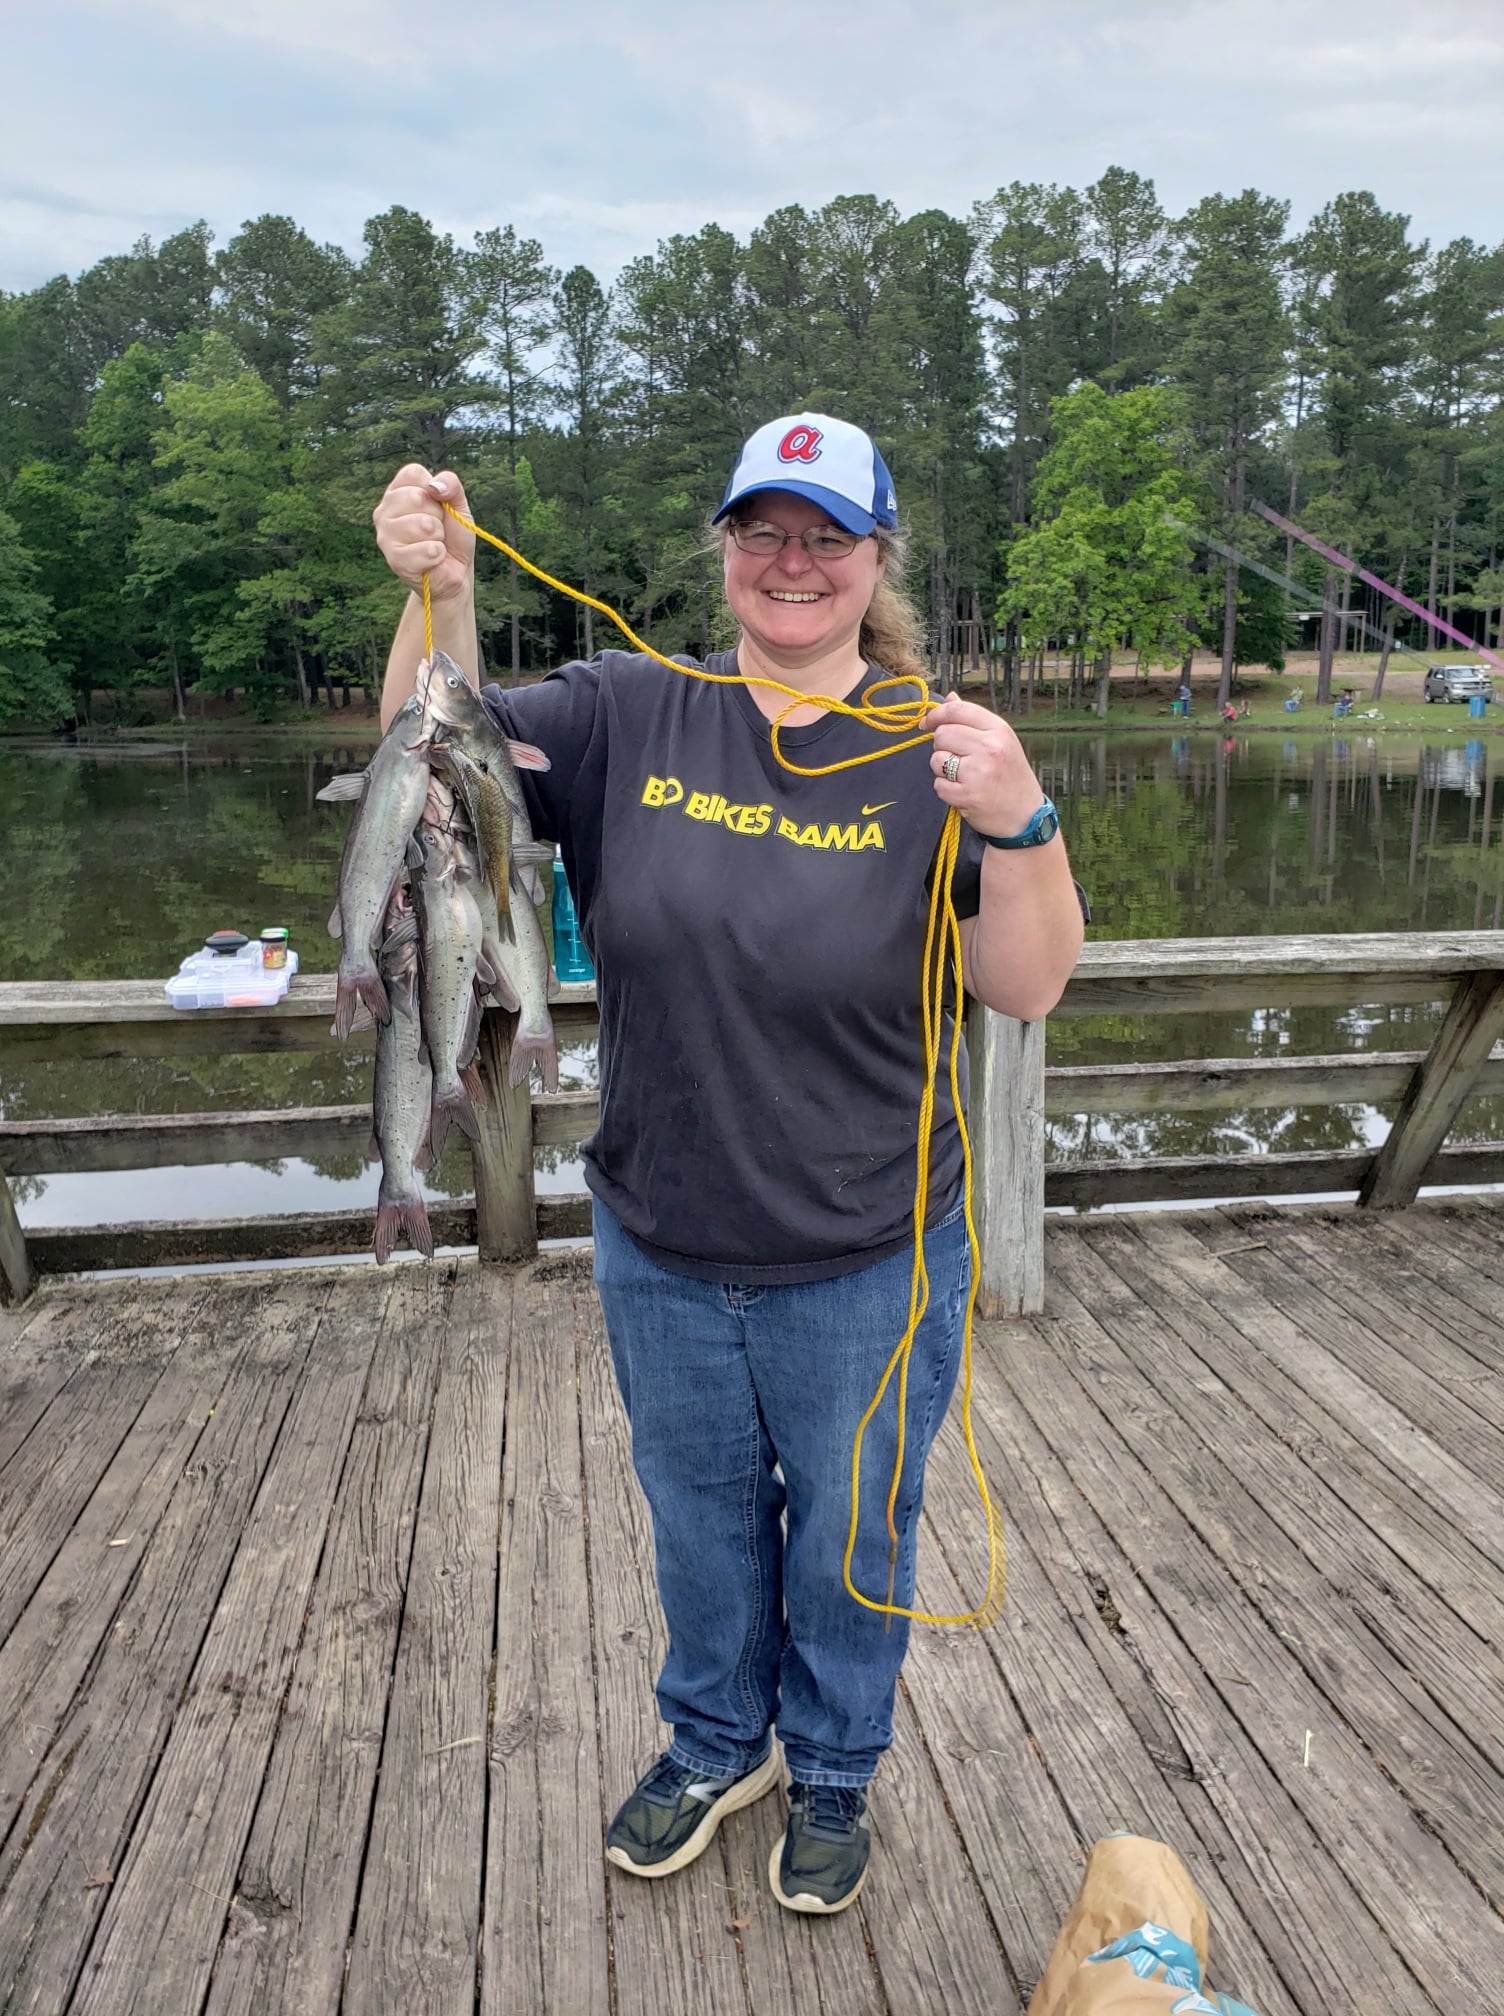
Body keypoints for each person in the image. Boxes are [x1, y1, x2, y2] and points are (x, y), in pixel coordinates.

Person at [372, 412, 1084, 1917]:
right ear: (727, 550)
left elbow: (1025, 985)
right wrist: (436, 591)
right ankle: (715, 1745)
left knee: (848, 1536)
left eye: (828, 536)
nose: (793, 562)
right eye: (764, 530)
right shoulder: (628, 708)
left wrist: (1023, 819)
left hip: (869, 1255)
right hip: (663, 1241)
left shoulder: (939, 747)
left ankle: (832, 1765)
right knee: (699, 1526)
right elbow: (431, 766)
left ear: (878, 560)